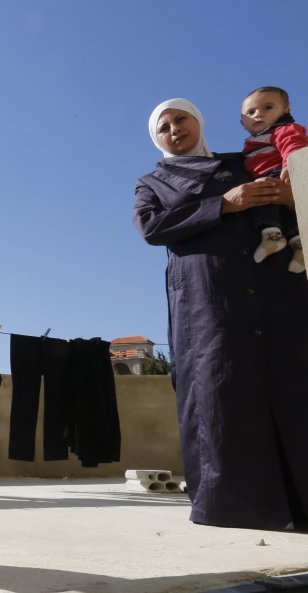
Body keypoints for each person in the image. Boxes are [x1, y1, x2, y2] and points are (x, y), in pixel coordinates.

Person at [133, 98, 308, 531]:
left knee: (290, 382)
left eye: (181, 119)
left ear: (198, 121)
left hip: (274, 288)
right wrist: (224, 204)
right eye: (164, 126)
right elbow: (153, 228)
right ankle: (235, 505)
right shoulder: (152, 182)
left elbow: (291, 179)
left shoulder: (244, 161)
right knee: (221, 389)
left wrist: (290, 194)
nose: (175, 129)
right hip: (206, 301)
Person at [238, 86, 308, 272]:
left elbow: (293, 144)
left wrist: (291, 165)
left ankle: (271, 236)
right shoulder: (253, 143)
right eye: (250, 112)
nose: (258, 114)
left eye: (268, 107)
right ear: (242, 123)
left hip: (280, 173)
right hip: (271, 176)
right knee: (286, 215)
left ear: (286, 110)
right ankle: (299, 247)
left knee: (261, 195)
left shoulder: (282, 129)